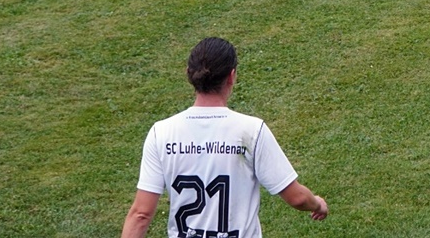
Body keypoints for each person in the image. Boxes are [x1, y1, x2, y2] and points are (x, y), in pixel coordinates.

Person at [119, 37, 328, 238]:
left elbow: (141, 214)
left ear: (188, 74)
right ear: (231, 76)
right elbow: (297, 198)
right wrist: (317, 204)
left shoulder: (161, 132)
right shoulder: (251, 131)